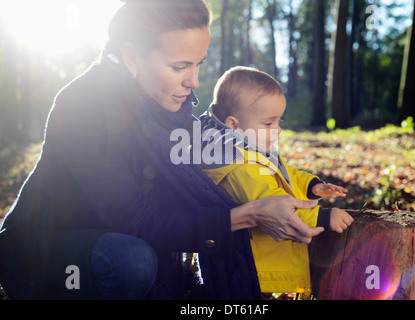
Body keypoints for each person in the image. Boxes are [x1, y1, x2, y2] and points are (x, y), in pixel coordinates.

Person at [0, 0, 323, 300]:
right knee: (132, 261)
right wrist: (250, 215)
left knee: (152, 265)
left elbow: (224, 172)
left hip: (117, 239)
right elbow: (137, 222)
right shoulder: (82, 107)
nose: (194, 81)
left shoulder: (169, 114)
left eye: (198, 64)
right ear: (131, 58)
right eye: (180, 66)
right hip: (42, 254)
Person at [199, 66, 354, 296]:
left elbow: (283, 175)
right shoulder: (236, 166)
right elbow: (274, 204)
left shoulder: (249, 150)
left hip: (262, 264)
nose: (278, 130)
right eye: (269, 123)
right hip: (250, 270)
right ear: (233, 125)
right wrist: (321, 217)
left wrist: (312, 186)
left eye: (279, 121)